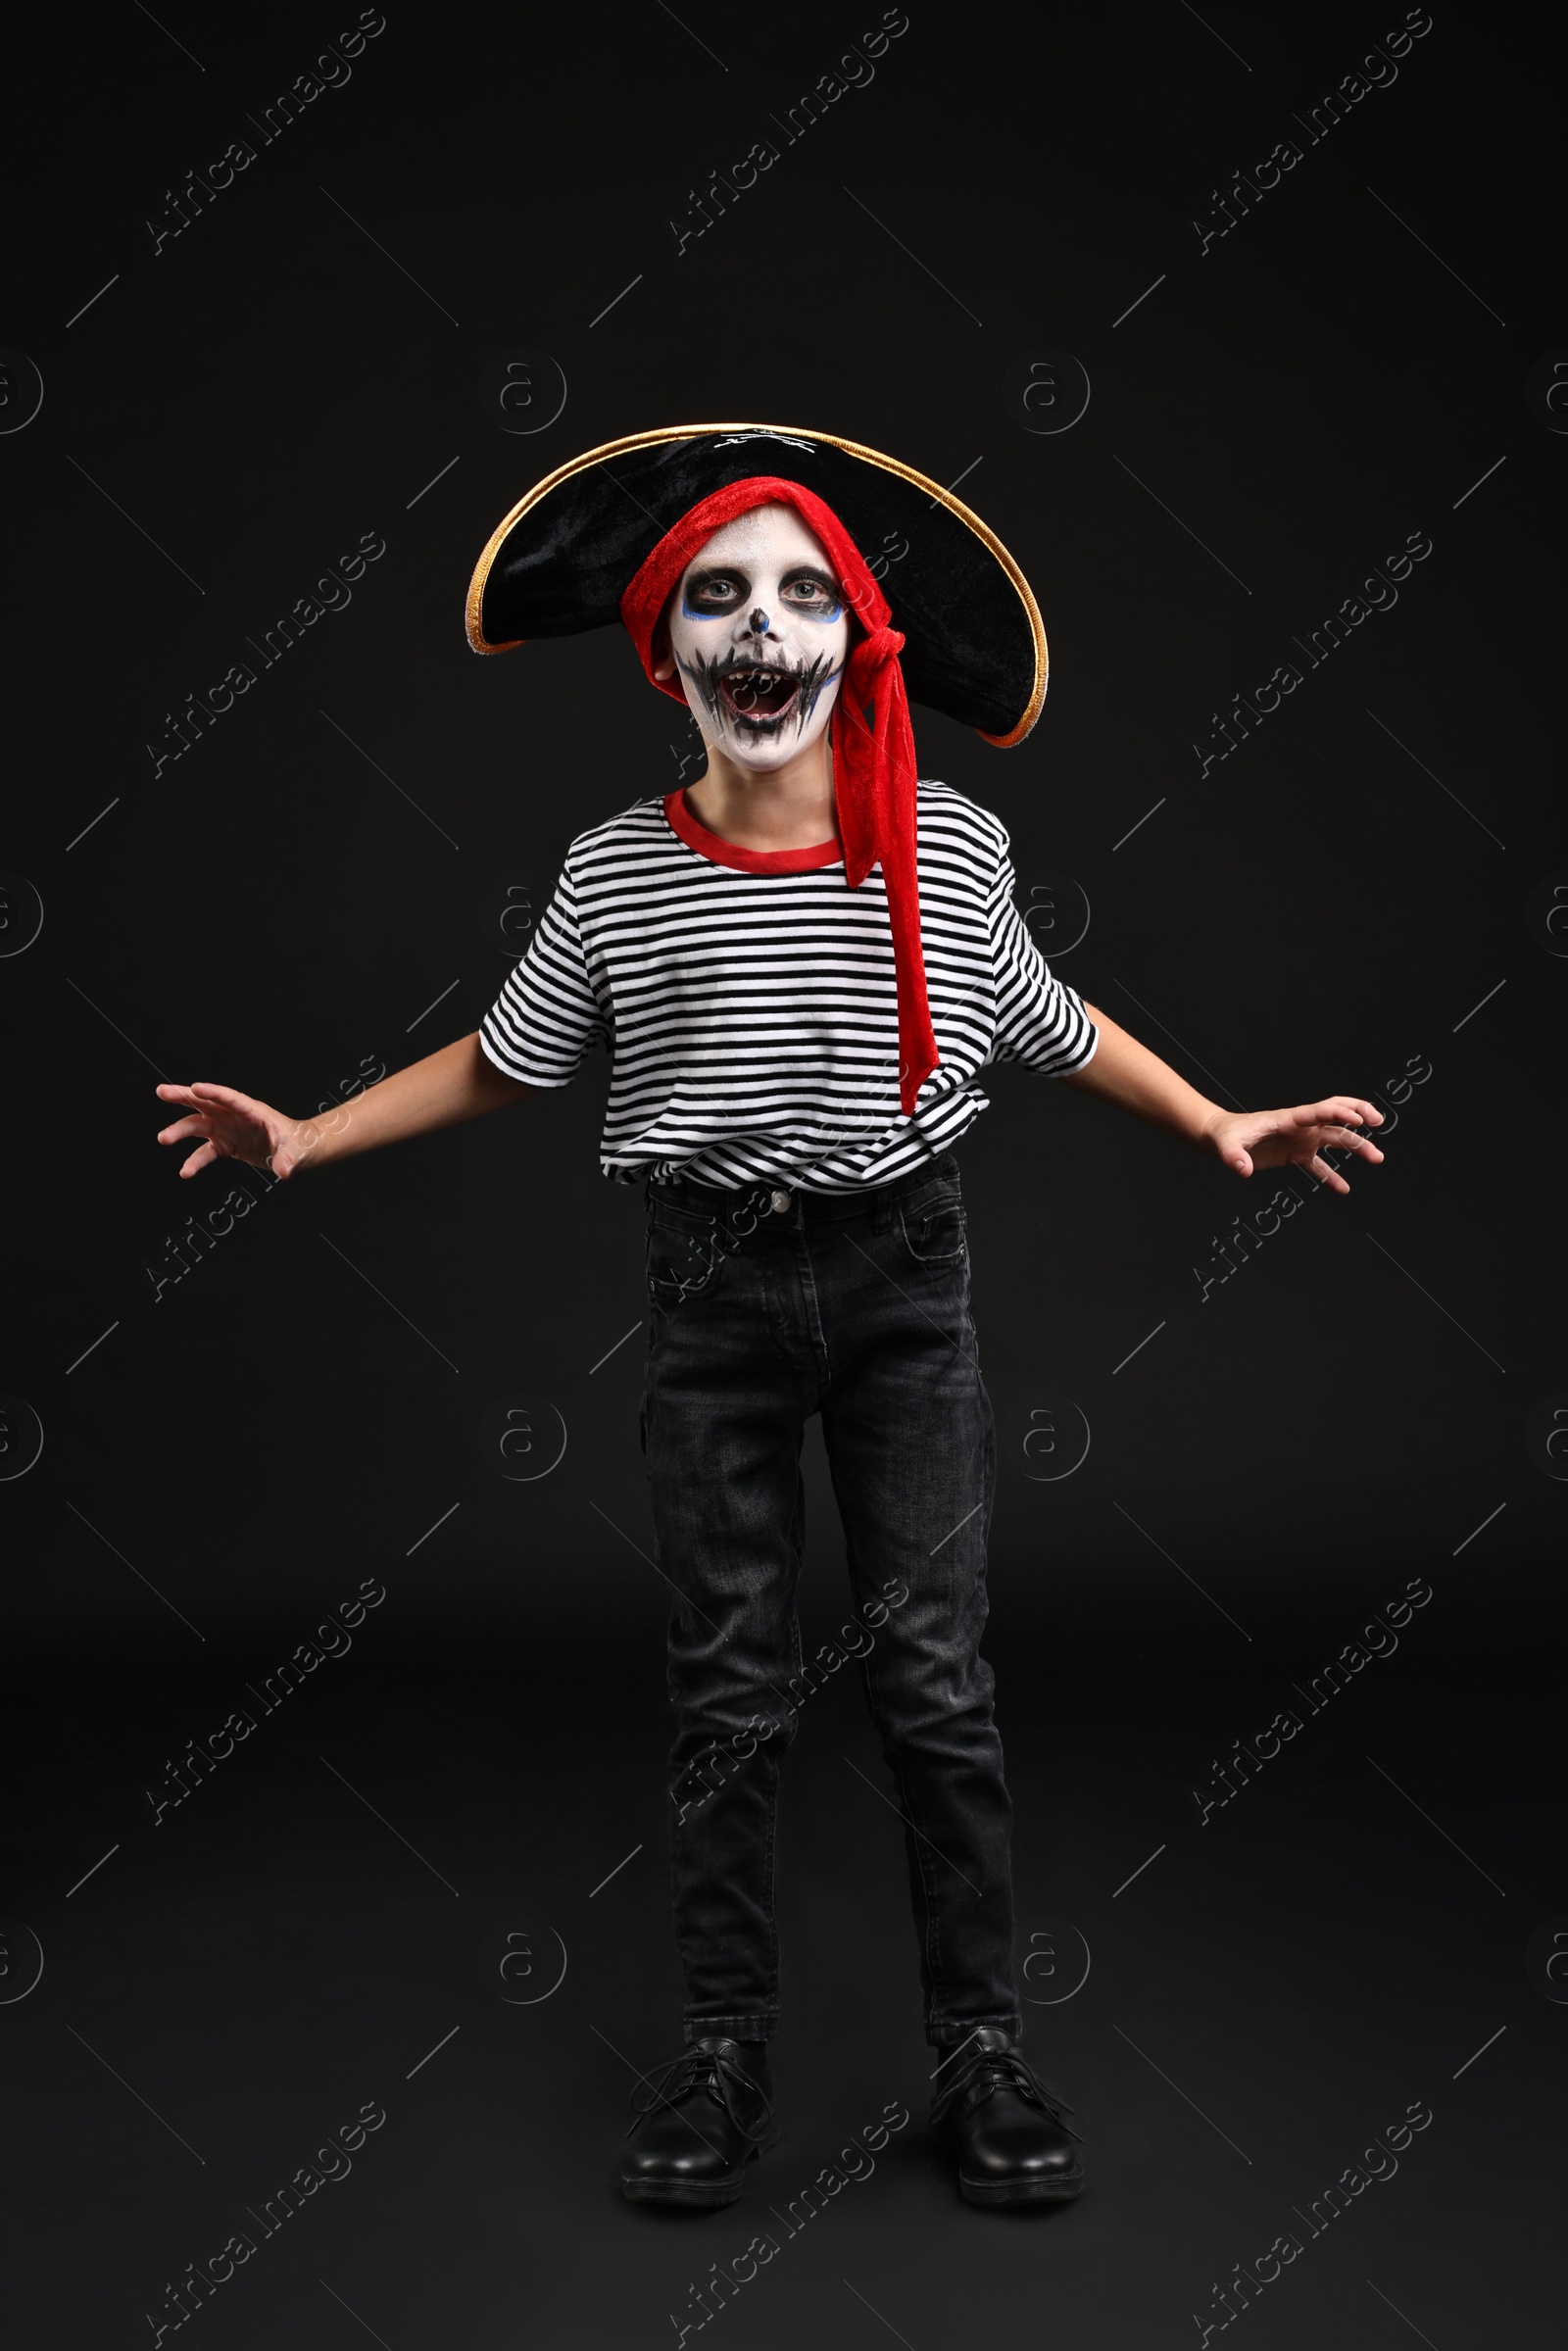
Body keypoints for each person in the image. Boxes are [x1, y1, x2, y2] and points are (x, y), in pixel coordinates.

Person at [155, 425, 1384, 2210]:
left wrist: (1213, 1119)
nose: (763, 627)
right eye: (721, 595)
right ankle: (726, 2055)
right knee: (729, 1697)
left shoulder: (948, 852)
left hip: (905, 1297)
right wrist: (311, 1135)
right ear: (667, 649)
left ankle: (982, 2051)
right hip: (713, 1311)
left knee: (935, 1687)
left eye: (804, 592)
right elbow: (509, 1062)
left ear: (854, 640)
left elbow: (1046, 1018)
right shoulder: (612, 871)